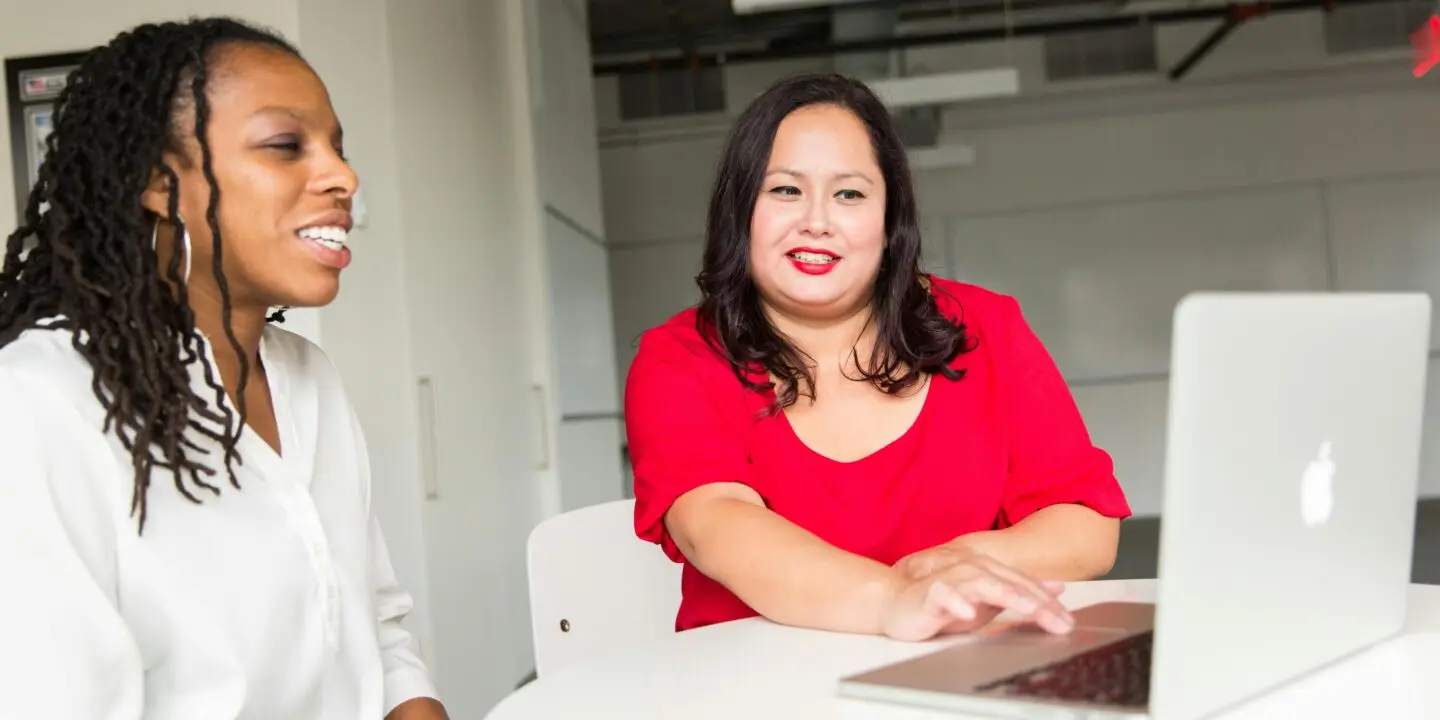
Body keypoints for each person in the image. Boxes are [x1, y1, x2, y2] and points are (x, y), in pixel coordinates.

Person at [0, 17, 447, 720]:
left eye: (337, 147)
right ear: (158, 181)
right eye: (285, 146)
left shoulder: (308, 380)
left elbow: (379, 638)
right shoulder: (38, 405)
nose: (343, 176)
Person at [623, 73, 1132, 642]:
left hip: (957, 666)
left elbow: (1085, 527)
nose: (816, 221)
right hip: (754, 679)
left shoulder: (987, 327)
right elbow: (715, 525)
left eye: (849, 194)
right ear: (739, 210)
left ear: (890, 221)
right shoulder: (678, 359)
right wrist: (894, 599)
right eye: (785, 190)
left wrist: (949, 568)